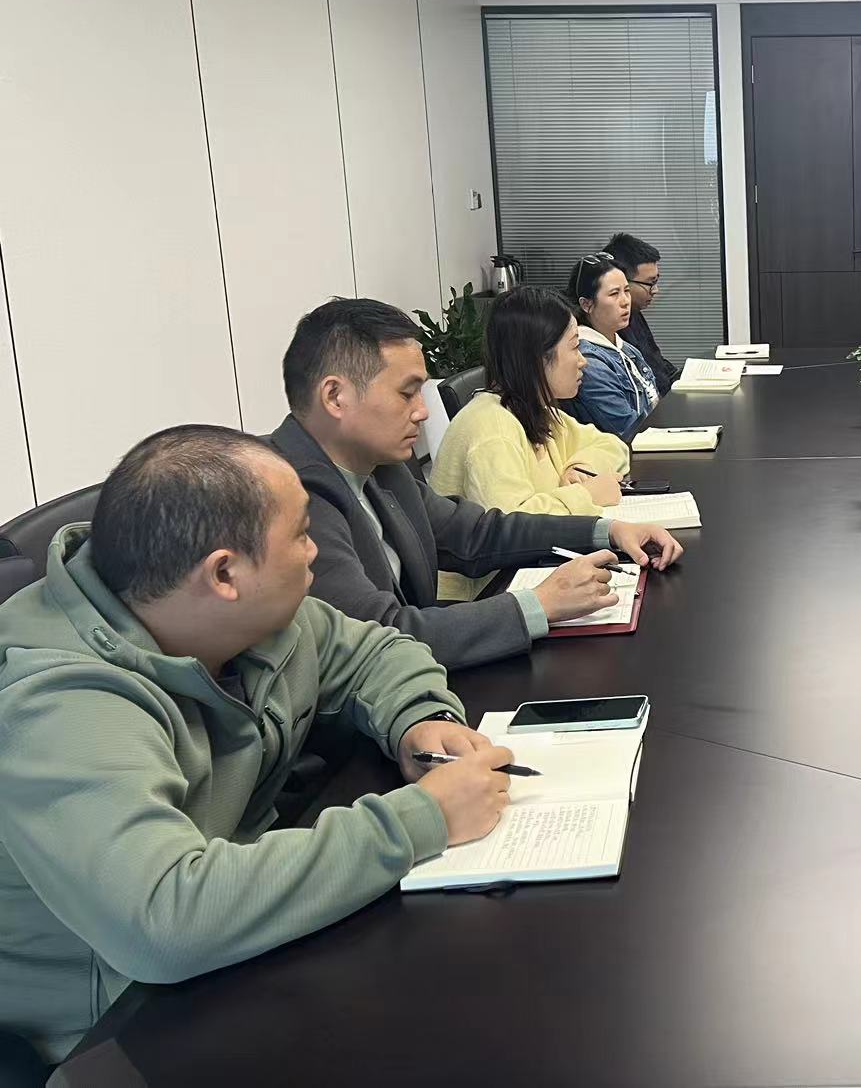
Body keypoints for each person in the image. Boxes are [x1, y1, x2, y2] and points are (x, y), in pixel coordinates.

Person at [0, 426, 517, 1063]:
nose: (315, 552)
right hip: (119, 1032)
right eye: (300, 534)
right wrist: (424, 818)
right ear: (225, 573)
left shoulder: (248, 616)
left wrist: (420, 719)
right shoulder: (60, 704)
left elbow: (374, 652)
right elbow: (165, 921)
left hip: (238, 945)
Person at [272, 298, 681, 670]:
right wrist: (537, 605)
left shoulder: (380, 467)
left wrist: (606, 531)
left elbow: (476, 534)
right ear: (335, 397)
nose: (422, 413)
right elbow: (378, 637)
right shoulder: (286, 496)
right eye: (407, 394)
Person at [432, 286, 631, 601]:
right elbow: (512, 530)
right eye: (575, 348)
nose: (583, 362)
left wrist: (581, 468)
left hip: (531, 574)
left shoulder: (535, 408)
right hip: (482, 598)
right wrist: (585, 495)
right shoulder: (492, 428)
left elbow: (611, 445)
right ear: (538, 357)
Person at [562, 251, 660, 439]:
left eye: (627, 291)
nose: (625, 301)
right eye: (614, 294)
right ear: (586, 304)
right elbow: (629, 429)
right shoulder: (589, 361)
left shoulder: (622, 345)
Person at [605, 231, 679, 396]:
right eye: (650, 283)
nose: (655, 290)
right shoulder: (609, 326)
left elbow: (656, 362)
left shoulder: (634, 312)